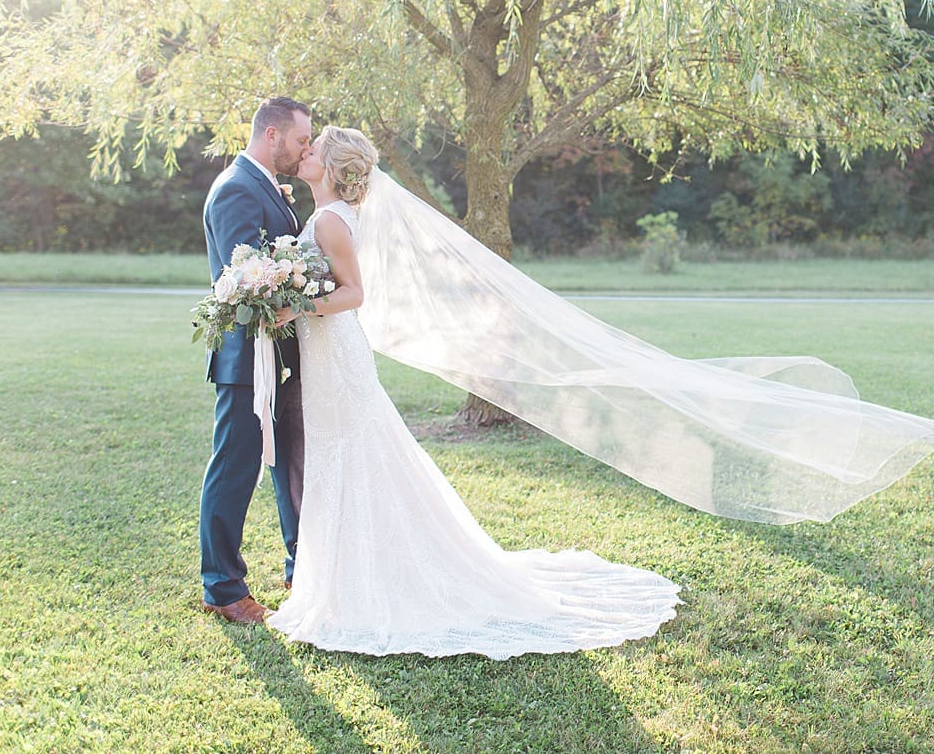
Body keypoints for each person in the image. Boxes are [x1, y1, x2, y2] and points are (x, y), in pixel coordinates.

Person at [265, 127, 681, 657]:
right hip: (326, 356)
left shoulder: (329, 221)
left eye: (313, 149)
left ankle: (365, 580)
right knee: (344, 458)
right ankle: (345, 573)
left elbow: (354, 293)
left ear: (331, 165)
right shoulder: (325, 215)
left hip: (338, 357)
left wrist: (296, 306)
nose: (304, 153)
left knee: (355, 455)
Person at [199, 97, 311, 624]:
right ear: (271, 134)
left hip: (282, 354)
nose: (305, 149)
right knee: (235, 467)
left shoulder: (263, 184)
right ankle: (222, 588)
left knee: (291, 463)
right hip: (249, 359)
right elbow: (243, 281)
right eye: (300, 140)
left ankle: (302, 567)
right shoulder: (235, 190)